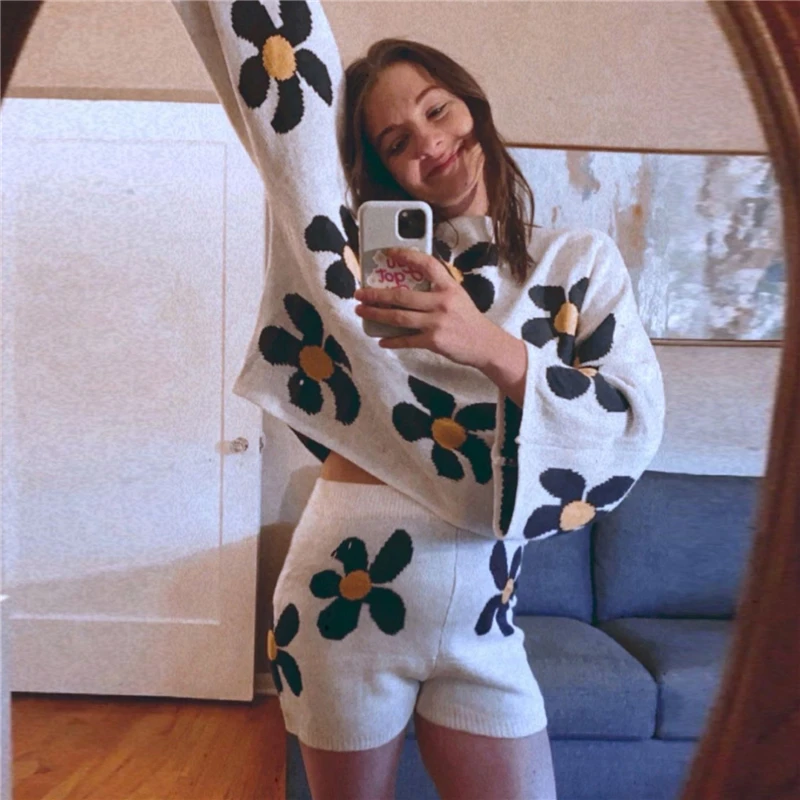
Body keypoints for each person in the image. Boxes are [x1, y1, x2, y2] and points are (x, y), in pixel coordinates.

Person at [172, 3, 665, 799]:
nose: (429, 143)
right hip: (342, 593)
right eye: (396, 142)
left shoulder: (579, 262)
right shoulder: (348, 260)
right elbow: (279, 92)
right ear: (381, 170)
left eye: (437, 110)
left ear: (473, 104)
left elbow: (631, 419)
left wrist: (486, 343)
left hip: (487, 610)